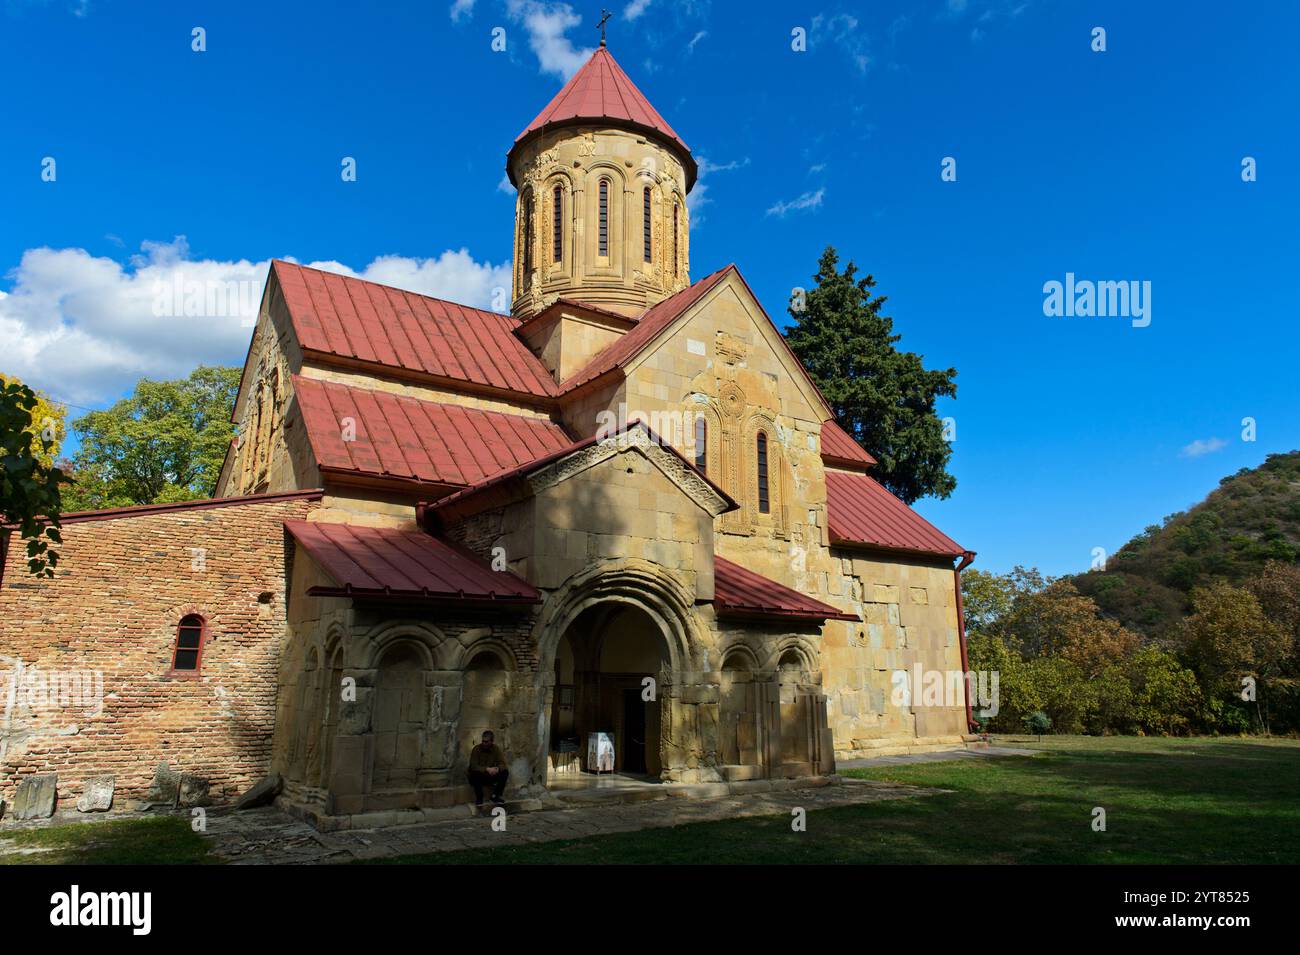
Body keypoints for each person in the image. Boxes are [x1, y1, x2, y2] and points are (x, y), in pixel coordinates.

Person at [467, 730, 509, 806]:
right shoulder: (476, 749)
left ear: (491, 741)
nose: (484, 743)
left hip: (490, 775)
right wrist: (487, 769)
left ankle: (495, 796)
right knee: (474, 773)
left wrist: (497, 769)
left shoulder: (496, 749)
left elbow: (502, 763)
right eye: (483, 741)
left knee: (505, 772)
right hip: (479, 776)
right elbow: (473, 766)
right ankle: (479, 798)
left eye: (486, 742)